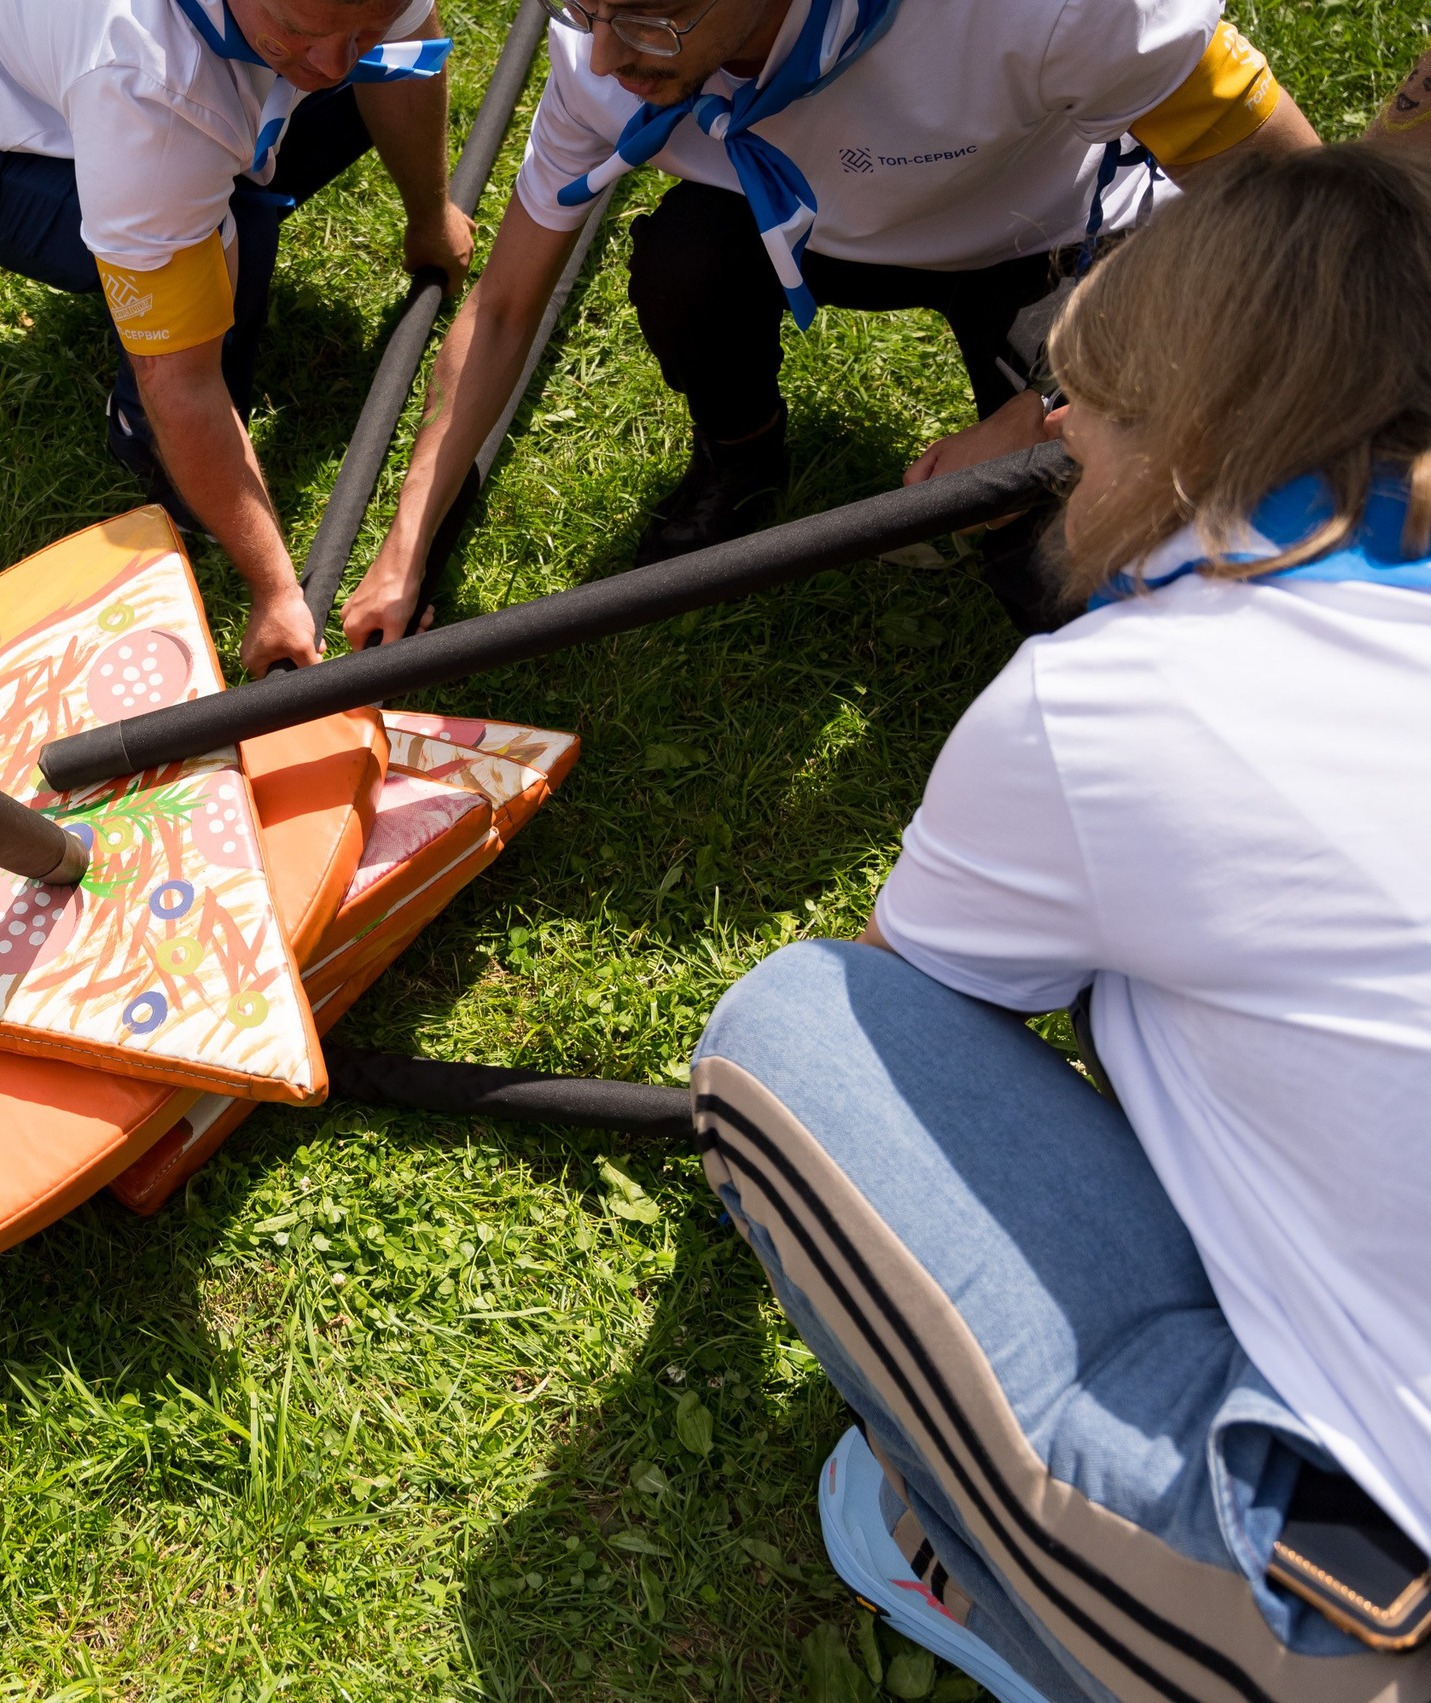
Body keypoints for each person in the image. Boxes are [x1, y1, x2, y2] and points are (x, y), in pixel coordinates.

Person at [691, 144, 1431, 1702]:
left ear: (1193, 428)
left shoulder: (1123, 703)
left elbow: (917, 1011)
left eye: (1071, 405)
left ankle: (1030, 1594)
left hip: (1387, 1622)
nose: (1052, 436)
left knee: (800, 1032)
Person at [340, 0, 1319, 649]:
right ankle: (742, 455)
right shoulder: (612, 41)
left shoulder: (1043, 10)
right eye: (587, 7)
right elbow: (505, 304)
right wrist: (403, 545)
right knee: (682, 263)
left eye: (647, 15)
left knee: (1064, 579)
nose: (602, 54)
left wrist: (1049, 411)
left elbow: (1298, 213)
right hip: (803, 230)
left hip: (1043, 240)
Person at [0, 0, 474, 674]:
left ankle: (208, 189)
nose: (334, 61)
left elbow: (402, 40)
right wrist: (276, 592)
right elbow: (182, 381)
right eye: (305, 31)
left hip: (108, 90)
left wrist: (431, 214)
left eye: (360, 26)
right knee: (227, 231)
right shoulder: (150, 90)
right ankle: (139, 431)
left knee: (365, 82)